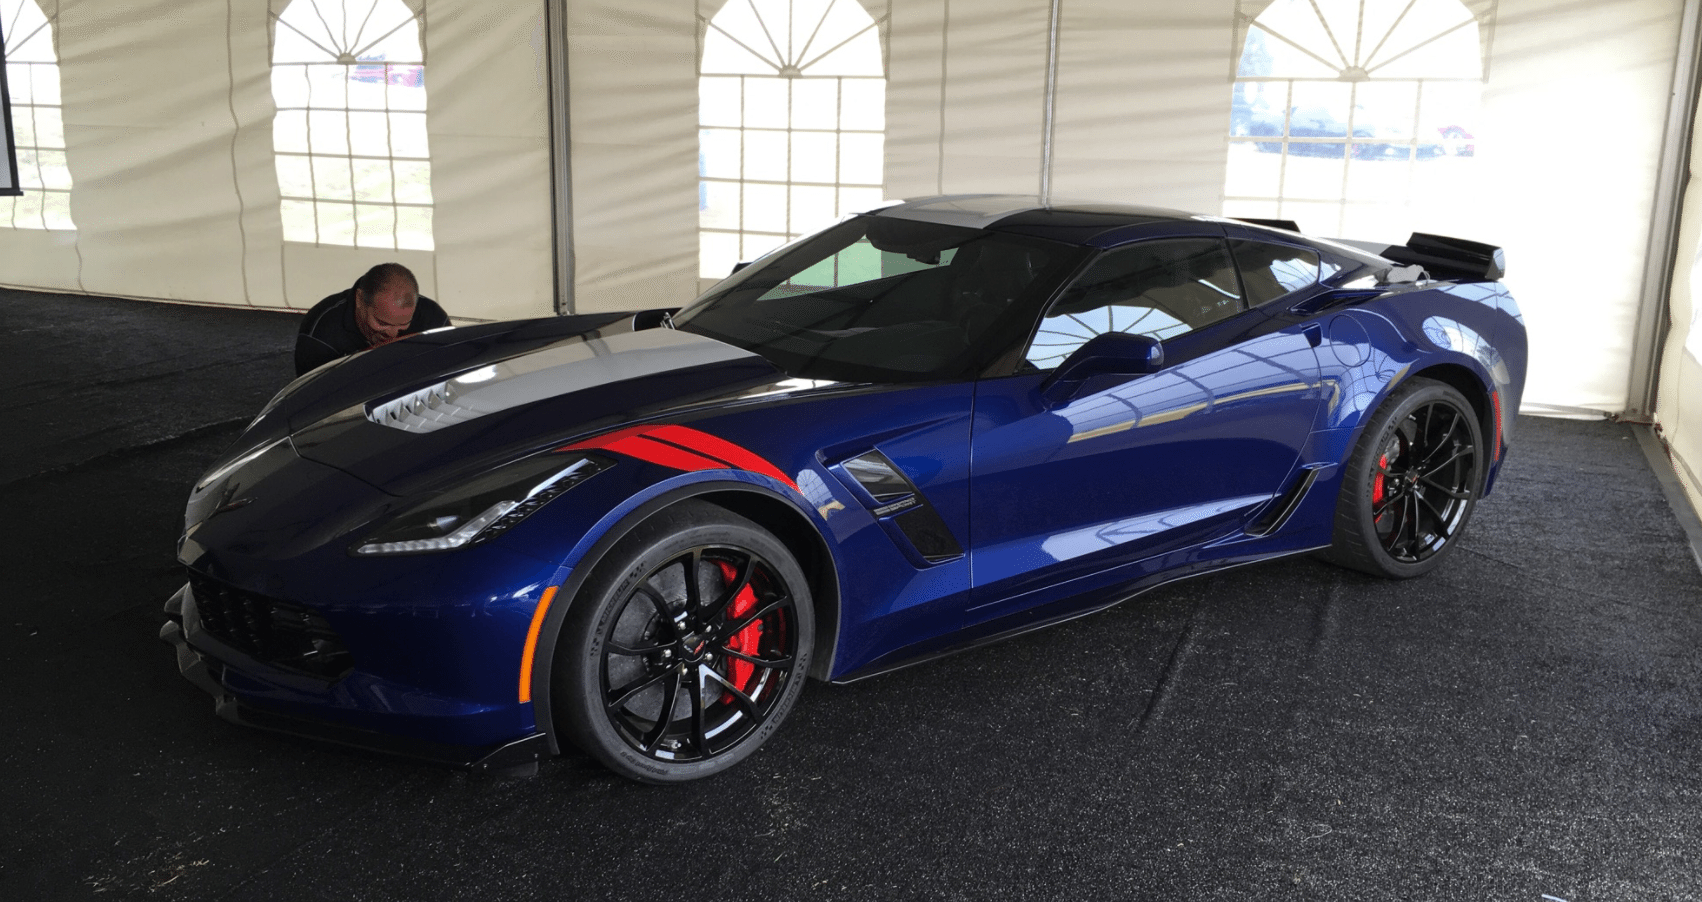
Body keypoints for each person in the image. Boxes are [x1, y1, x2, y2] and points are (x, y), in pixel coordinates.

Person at [294, 263, 450, 375]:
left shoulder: (434, 319)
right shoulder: (320, 334)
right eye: (382, 323)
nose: (392, 334)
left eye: (404, 324)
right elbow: (310, 401)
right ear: (360, 300)